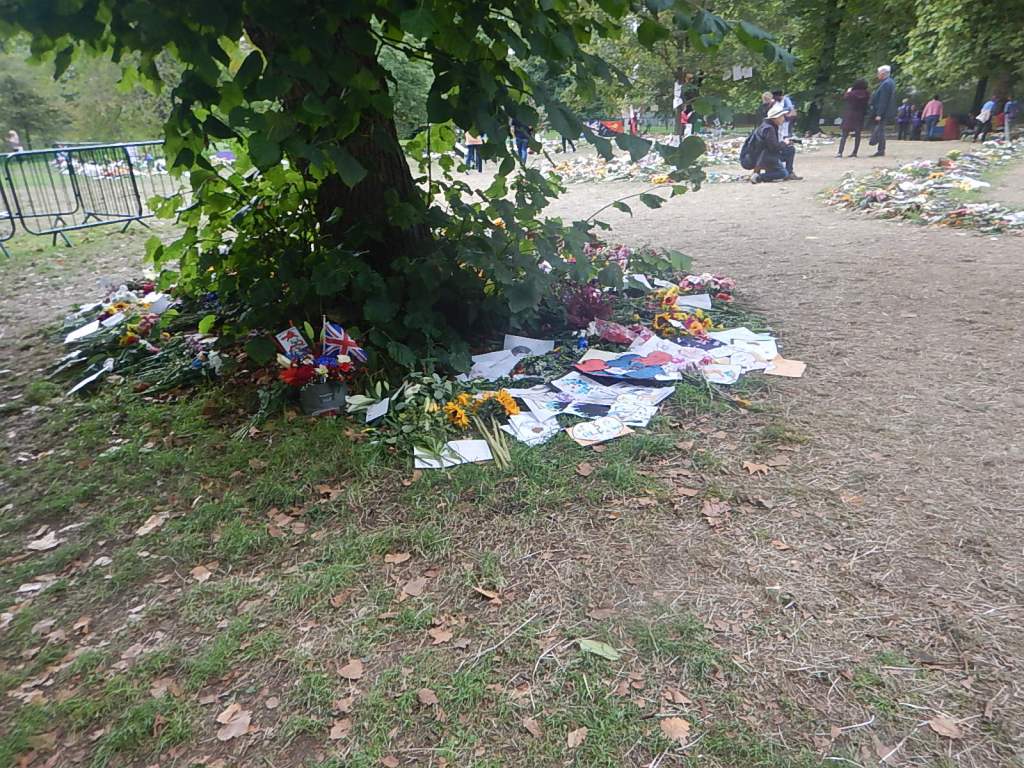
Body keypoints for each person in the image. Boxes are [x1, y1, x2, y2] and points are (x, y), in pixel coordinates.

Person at [750, 102, 803, 183]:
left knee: (790, 149)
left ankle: (789, 173)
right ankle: (758, 177)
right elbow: (774, 147)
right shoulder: (769, 129)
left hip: (765, 155)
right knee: (782, 173)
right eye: (781, 116)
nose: (783, 119)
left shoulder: (767, 125)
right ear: (776, 118)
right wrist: (785, 143)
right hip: (766, 157)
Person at [837, 78, 870, 157]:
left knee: (844, 135)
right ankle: (855, 152)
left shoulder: (851, 93)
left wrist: (848, 91)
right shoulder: (866, 94)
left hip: (850, 114)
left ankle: (840, 152)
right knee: (858, 134)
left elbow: (845, 98)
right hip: (859, 115)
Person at [868, 65, 896, 156]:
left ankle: (880, 149)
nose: (877, 75)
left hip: (882, 111)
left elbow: (883, 100)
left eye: (878, 73)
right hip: (884, 110)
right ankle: (879, 148)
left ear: (883, 73)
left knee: (880, 130)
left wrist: (879, 114)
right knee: (880, 130)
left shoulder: (886, 84)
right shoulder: (889, 82)